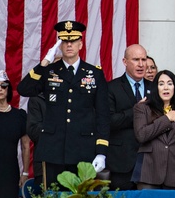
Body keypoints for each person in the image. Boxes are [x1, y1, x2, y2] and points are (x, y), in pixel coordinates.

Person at [17, 20, 109, 188]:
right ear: (59, 45)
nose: (69, 45)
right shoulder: (49, 71)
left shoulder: (94, 73)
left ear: (80, 44)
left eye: (73, 40)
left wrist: (101, 152)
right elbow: (24, 89)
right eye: (64, 41)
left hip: (83, 149)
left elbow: (103, 116)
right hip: (53, 149)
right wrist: (45, 62)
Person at [133, 70, 175, 189]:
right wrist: (167, 118)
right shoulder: (143, 108)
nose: (165, 87)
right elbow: (141, 135)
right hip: (149, 174)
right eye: (161, 84)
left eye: (169, 83)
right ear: (155, 88)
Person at [107, 44, 149, 190]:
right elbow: (109, 121)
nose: (141, 64)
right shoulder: (111, 88)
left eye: (144, 59)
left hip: (150, 161)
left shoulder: (155, 88)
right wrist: (137, 110)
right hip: (121, 162)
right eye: (136, 59)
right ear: (125, 62)